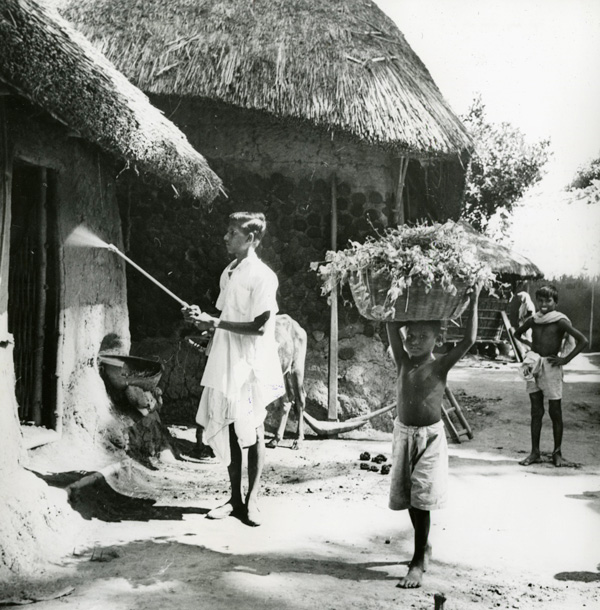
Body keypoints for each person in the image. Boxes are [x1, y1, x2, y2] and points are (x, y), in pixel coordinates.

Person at [182, 212, 284, 526]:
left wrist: (216, 322)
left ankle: (252, 501)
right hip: (226, 359)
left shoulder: (263, 276)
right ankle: (234, 498)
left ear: (251, 238)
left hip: (250, 362)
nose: (226, 238)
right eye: (227, 232)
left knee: (252, 428)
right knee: (227, 423)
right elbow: (223, 314)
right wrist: (202, 319)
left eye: (232, 233)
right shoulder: (229, 272)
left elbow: (257, 327)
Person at [385, 284, 481, 589]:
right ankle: (423, 546)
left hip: (430, 439)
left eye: (423, 337)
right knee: (411, 498)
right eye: (410, 336)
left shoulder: (440, 364)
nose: (413, 342)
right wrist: (396, 296)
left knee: (422, 498)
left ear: (437, 339)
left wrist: (475, 297)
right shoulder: (401, 360)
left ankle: (417, 561)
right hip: (404, 435)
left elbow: (469, 339)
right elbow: (389, 321)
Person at [513, 284, 588, 467]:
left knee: (555, 411)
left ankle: (557, 453)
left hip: (552, 367)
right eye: (540, 300)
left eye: (548, 300)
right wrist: (530, 348)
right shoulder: (534, 320)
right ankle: (535, 453)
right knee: (536, 411)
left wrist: (565, 360)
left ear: (556, 302)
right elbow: (516, 333)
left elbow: (583, 341)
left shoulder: (560, 321)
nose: (543, 304)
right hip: (534, 365)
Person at [507, 281, 536, 357]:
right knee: (523, 336)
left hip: (527, 323)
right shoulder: (523, 304)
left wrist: (523, 318)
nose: (520, 299)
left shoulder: (528, 303)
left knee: (527, 336)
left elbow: (530, 312)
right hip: (523, 323)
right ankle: (525, 351)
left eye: (521, 297)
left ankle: (530, 350)